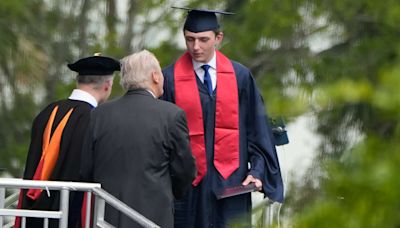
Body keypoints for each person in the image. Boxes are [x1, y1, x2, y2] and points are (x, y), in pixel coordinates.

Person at [162, 7, 284, 227]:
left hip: (230, 186)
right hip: (187, 188)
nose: (195, 47)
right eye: (189, 39)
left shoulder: (240, 77)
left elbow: (257, 131)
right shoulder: (169, 79)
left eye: (203, 39)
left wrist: (256, 171)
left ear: (218, 38)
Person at [80, 50, 197, 228]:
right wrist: (170, 192)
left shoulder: (98, 114)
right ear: (155, 76)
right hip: (152, 217)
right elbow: (185, 170)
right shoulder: (172, 115)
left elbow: (85, 169)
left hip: (106, 218)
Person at [15, 54, 120, 228]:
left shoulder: (48, 111)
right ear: (107, 85)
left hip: (34, 213)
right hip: (72, 216)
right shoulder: (97, 119)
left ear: (78, 80)